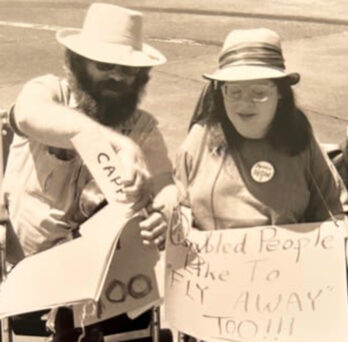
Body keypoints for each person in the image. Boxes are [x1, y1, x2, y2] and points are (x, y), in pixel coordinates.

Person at [2, 3, 174, 341]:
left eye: (127, 70)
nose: (116, 76)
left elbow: (167, 186)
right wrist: (111, 142)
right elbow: (27, 114)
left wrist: (166, 213)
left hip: (112, 283)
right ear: (76, 64)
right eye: (104, 65)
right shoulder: (47, 93)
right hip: (37, 276)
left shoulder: (143, 127)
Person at [174, 27, 348, 233]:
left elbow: (335, 212)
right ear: (220, 93)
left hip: (286, 262)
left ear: (281, 93)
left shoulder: (301, 142)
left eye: (258, 92)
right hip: (210, 263)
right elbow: (177, 208)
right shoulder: (200, 138)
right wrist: (174, 224)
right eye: (234, 91)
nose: (245, 104)